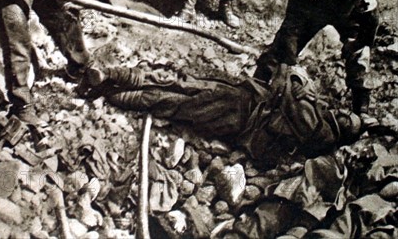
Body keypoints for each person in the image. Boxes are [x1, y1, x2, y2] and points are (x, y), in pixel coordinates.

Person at [83, 63, 362, 168]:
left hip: (242, 117)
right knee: (184, 84)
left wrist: (293, 82)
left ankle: (112, 93)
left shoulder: (322, 132)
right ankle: (112, 76)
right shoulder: (323, 119)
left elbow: (289, 87)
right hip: (245, 99)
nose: (344, 114)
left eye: (349, 119)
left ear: (345, 131)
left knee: (178, 103)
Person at [254, 0, 379, 119]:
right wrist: (284, 67)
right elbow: (290, 30)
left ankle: (361, 110)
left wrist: (358, 43)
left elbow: (372, 17)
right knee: (279, 49)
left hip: (346, 14)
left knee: (359, 54)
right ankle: (256, 86)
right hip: (313, 16)